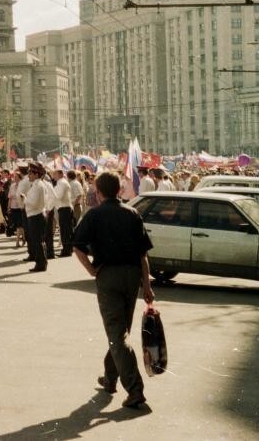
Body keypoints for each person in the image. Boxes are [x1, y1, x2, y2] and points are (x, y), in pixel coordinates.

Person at [72, 171, 154, 408]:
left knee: (117, 334)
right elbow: (143, 255)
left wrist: (91, 269)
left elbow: (77, 246)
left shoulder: (94, 215)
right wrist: (146, 285)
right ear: (119, 190)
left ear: (98, 192)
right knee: (120, 332)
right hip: (131, 276)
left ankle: (135, 389)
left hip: (108, 276)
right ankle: (110, 378)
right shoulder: (132, 213)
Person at [24, 163, 48, 272]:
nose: (28, 175)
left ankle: (40, 264)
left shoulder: (38, 186)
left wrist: (24, 198)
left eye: (30, 173)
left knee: (37, 241)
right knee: (38, 241)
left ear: (36, 174)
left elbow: (33, 203)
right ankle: (41, 262)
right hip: (36, 215)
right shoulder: (37, 184)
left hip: (36, 215)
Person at [52, 169, 74, 257]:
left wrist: (51, 195)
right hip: (64, 208)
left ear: (61, 174)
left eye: (55, 174)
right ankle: (68, 249)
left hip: (64, 208)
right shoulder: (61, 182)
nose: (53, 176)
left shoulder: (61, 183)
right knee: (66, 230)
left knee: (65, 231)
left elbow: (58, 196)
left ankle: (66, 250)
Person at [7, 172, 25, 248]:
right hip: (14, 207)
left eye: (17, 177)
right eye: (14, 177)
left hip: (21, 207)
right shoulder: (12, 186)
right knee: (18, 225)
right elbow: (10, 198)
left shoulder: (23, 186)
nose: (15, 178)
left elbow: (24, 196)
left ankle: (17, 241)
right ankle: (23, 237)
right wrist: (8, 207)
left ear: (20, 178)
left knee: (19, 225)